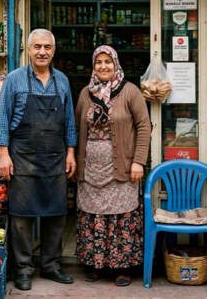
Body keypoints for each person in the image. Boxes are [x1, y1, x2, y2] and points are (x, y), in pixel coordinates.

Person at [0, 28, 77, 291]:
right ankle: (23, 269)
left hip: (55, 157)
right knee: (22, 217)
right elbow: (2, 120)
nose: (42, 52)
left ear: (53, 51)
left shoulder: (62, 80)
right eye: (37, 47)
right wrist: (4, 154)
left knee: (56, 214)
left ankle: (51, 265)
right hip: (22, 158)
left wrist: (71, 152)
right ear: (28, 50)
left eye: (47, 47)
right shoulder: (14, 79)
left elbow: (70, 122)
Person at [74, 45, 150, 286]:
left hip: (122, 168)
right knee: (93, 215)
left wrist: (138, 161)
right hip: (91, 170)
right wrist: (74, 160)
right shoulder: (86, 93)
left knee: (121, 216)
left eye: (108, 61)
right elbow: (76, 128)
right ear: (93, 66)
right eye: (99, 62)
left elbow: (144, 127)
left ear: (116, 64)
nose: (103, 66)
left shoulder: (130, 92)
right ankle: (96, 264)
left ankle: (122, 268)